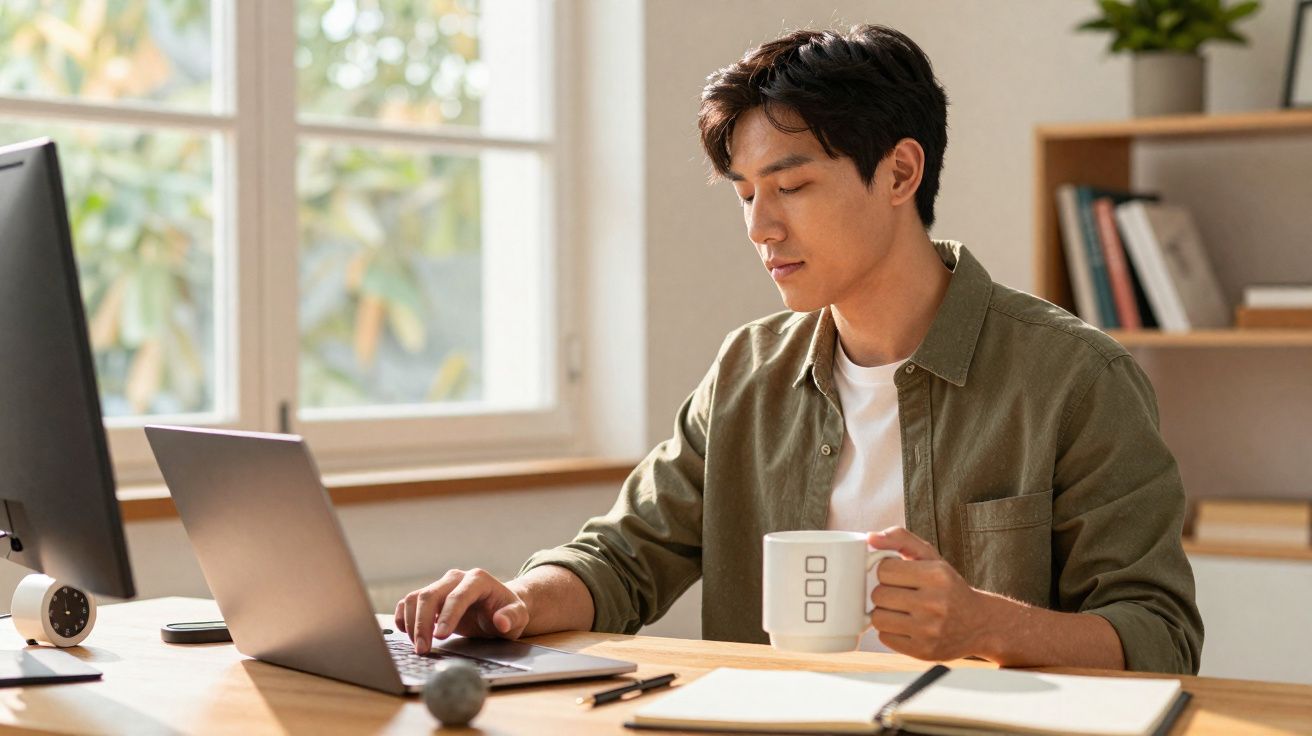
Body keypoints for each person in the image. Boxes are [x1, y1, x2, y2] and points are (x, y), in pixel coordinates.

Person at [395, 24, 1203, 674]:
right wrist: (520, 600)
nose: (759, 227)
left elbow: (1158, 634)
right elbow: (626, 555)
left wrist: (982, 624)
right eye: (746, 194)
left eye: (790, 186)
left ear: (899, 174)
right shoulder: (750, 370)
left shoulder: (1074, 377)